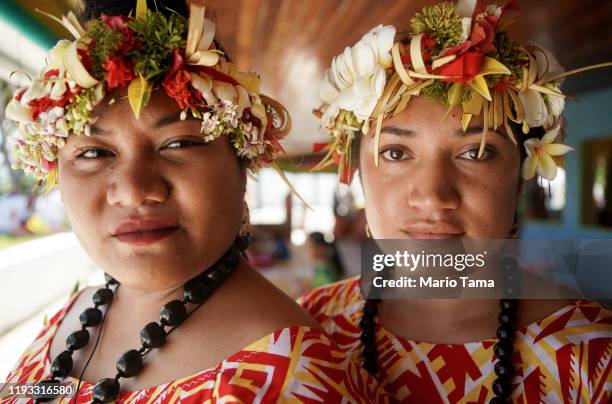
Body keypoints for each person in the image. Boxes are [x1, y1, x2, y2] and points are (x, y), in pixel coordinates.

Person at [1, 0, 387, 402]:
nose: (134, 190)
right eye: (94, 153)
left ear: (243, 165)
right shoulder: (72, 315)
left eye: (180, 143)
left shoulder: (292, 379)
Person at [299, 0, 612, 402]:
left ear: (521, 176)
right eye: (396, 153)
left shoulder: (594, 358)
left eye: (476, 152)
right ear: (357, 171)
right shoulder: (308, 330)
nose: (433, 196)